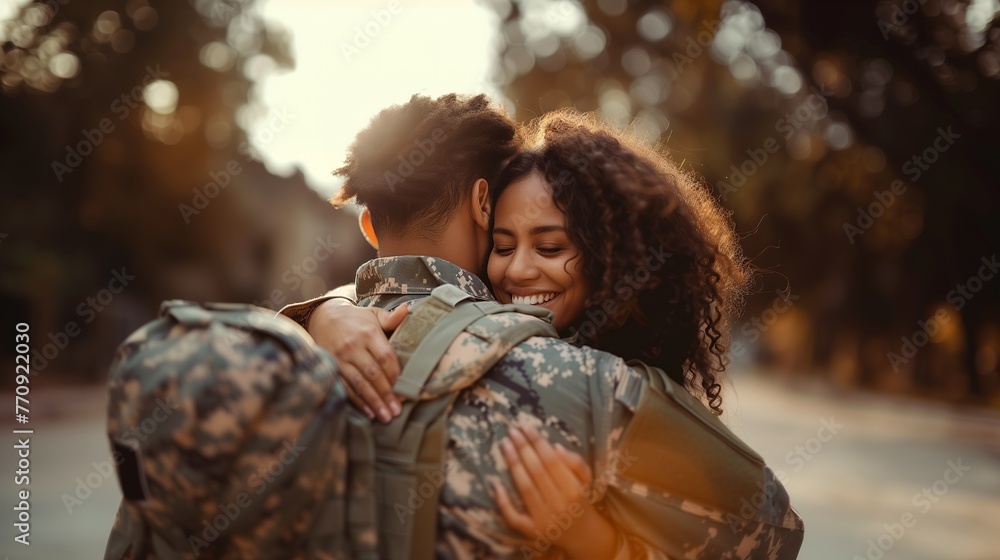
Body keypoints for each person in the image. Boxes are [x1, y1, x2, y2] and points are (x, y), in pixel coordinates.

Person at [284, 93, 803, 558]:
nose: (519, 269)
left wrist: (320, 314)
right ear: (482, 206)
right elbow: (775, 533)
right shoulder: (597, 390)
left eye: (552, 247)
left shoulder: (287, 355)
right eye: (505, 246)